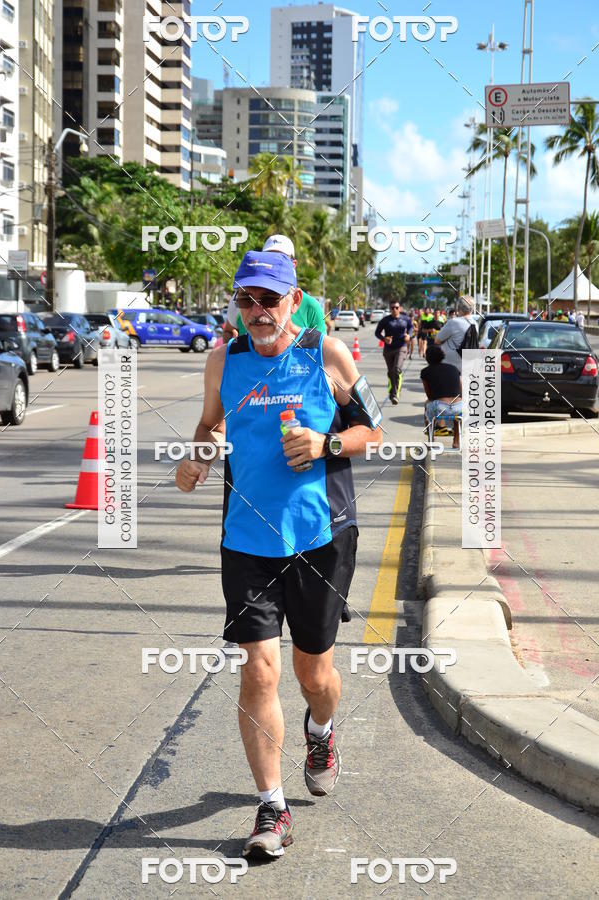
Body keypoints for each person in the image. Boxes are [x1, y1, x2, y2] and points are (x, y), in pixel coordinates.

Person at [176, 250, 382, 860]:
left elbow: (373, 433)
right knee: (259, 668)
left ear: (295, 300)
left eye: (270, 300)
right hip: (245, 540)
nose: (258, 312)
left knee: (313, 673)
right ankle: (272, 807)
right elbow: (211, 427)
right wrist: (199, 457)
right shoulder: (224, 360)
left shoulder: (327, 354)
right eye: (247, 299)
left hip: (319, 537)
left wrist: (325, 443)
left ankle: (320, 731)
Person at [223, 235, 326, 341]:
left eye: (270, 299)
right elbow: (228, 330)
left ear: (295, 300)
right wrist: (233, 350)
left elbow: (320, 348)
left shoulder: (311, 306)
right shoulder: (239, 299)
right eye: (269, 257)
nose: (257, 310)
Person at [420, 344, 462, 449]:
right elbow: (461, 391)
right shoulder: (454, 369)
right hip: (459, 407)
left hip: (440, 407)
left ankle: (431, 441)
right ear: (442, 356)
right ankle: (456, 441)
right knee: (457, 415)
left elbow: (429, 395)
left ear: (427, 358)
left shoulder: (425, 372)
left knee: (427, 405)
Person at [374, 301, 412, 404]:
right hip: (388, 349)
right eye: (392, 308)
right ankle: (392, 391)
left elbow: (411, 328)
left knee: (396, 369)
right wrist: (384, 339)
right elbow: (377, 333)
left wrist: (409, 336)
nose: (394, 309)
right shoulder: (385, 320)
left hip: (401, 347)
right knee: (391, 372)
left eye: (396, 307)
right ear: (390, 309)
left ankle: (395, 394)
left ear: (400, 308)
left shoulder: (406, 319)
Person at [434, 295, 477, 373]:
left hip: (451, 366)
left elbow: (437, 340)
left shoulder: (454, 322)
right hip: (468, 366)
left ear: (459, 308)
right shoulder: (475, 324)